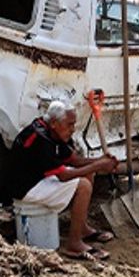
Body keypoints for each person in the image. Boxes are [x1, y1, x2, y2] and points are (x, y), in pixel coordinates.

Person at [8, 100, 118, 260]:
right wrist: (98, 165)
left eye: (74, 124)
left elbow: (74, 160)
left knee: (88, 174)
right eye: (70, 124)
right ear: (54, 123)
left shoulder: (53, 130)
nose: (73, 129)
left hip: (37, 179)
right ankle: (74, 244)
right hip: (25, 188)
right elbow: (64, 176)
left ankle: (82, 228)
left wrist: (100, 160)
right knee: (83, 186)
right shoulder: (41, 138)